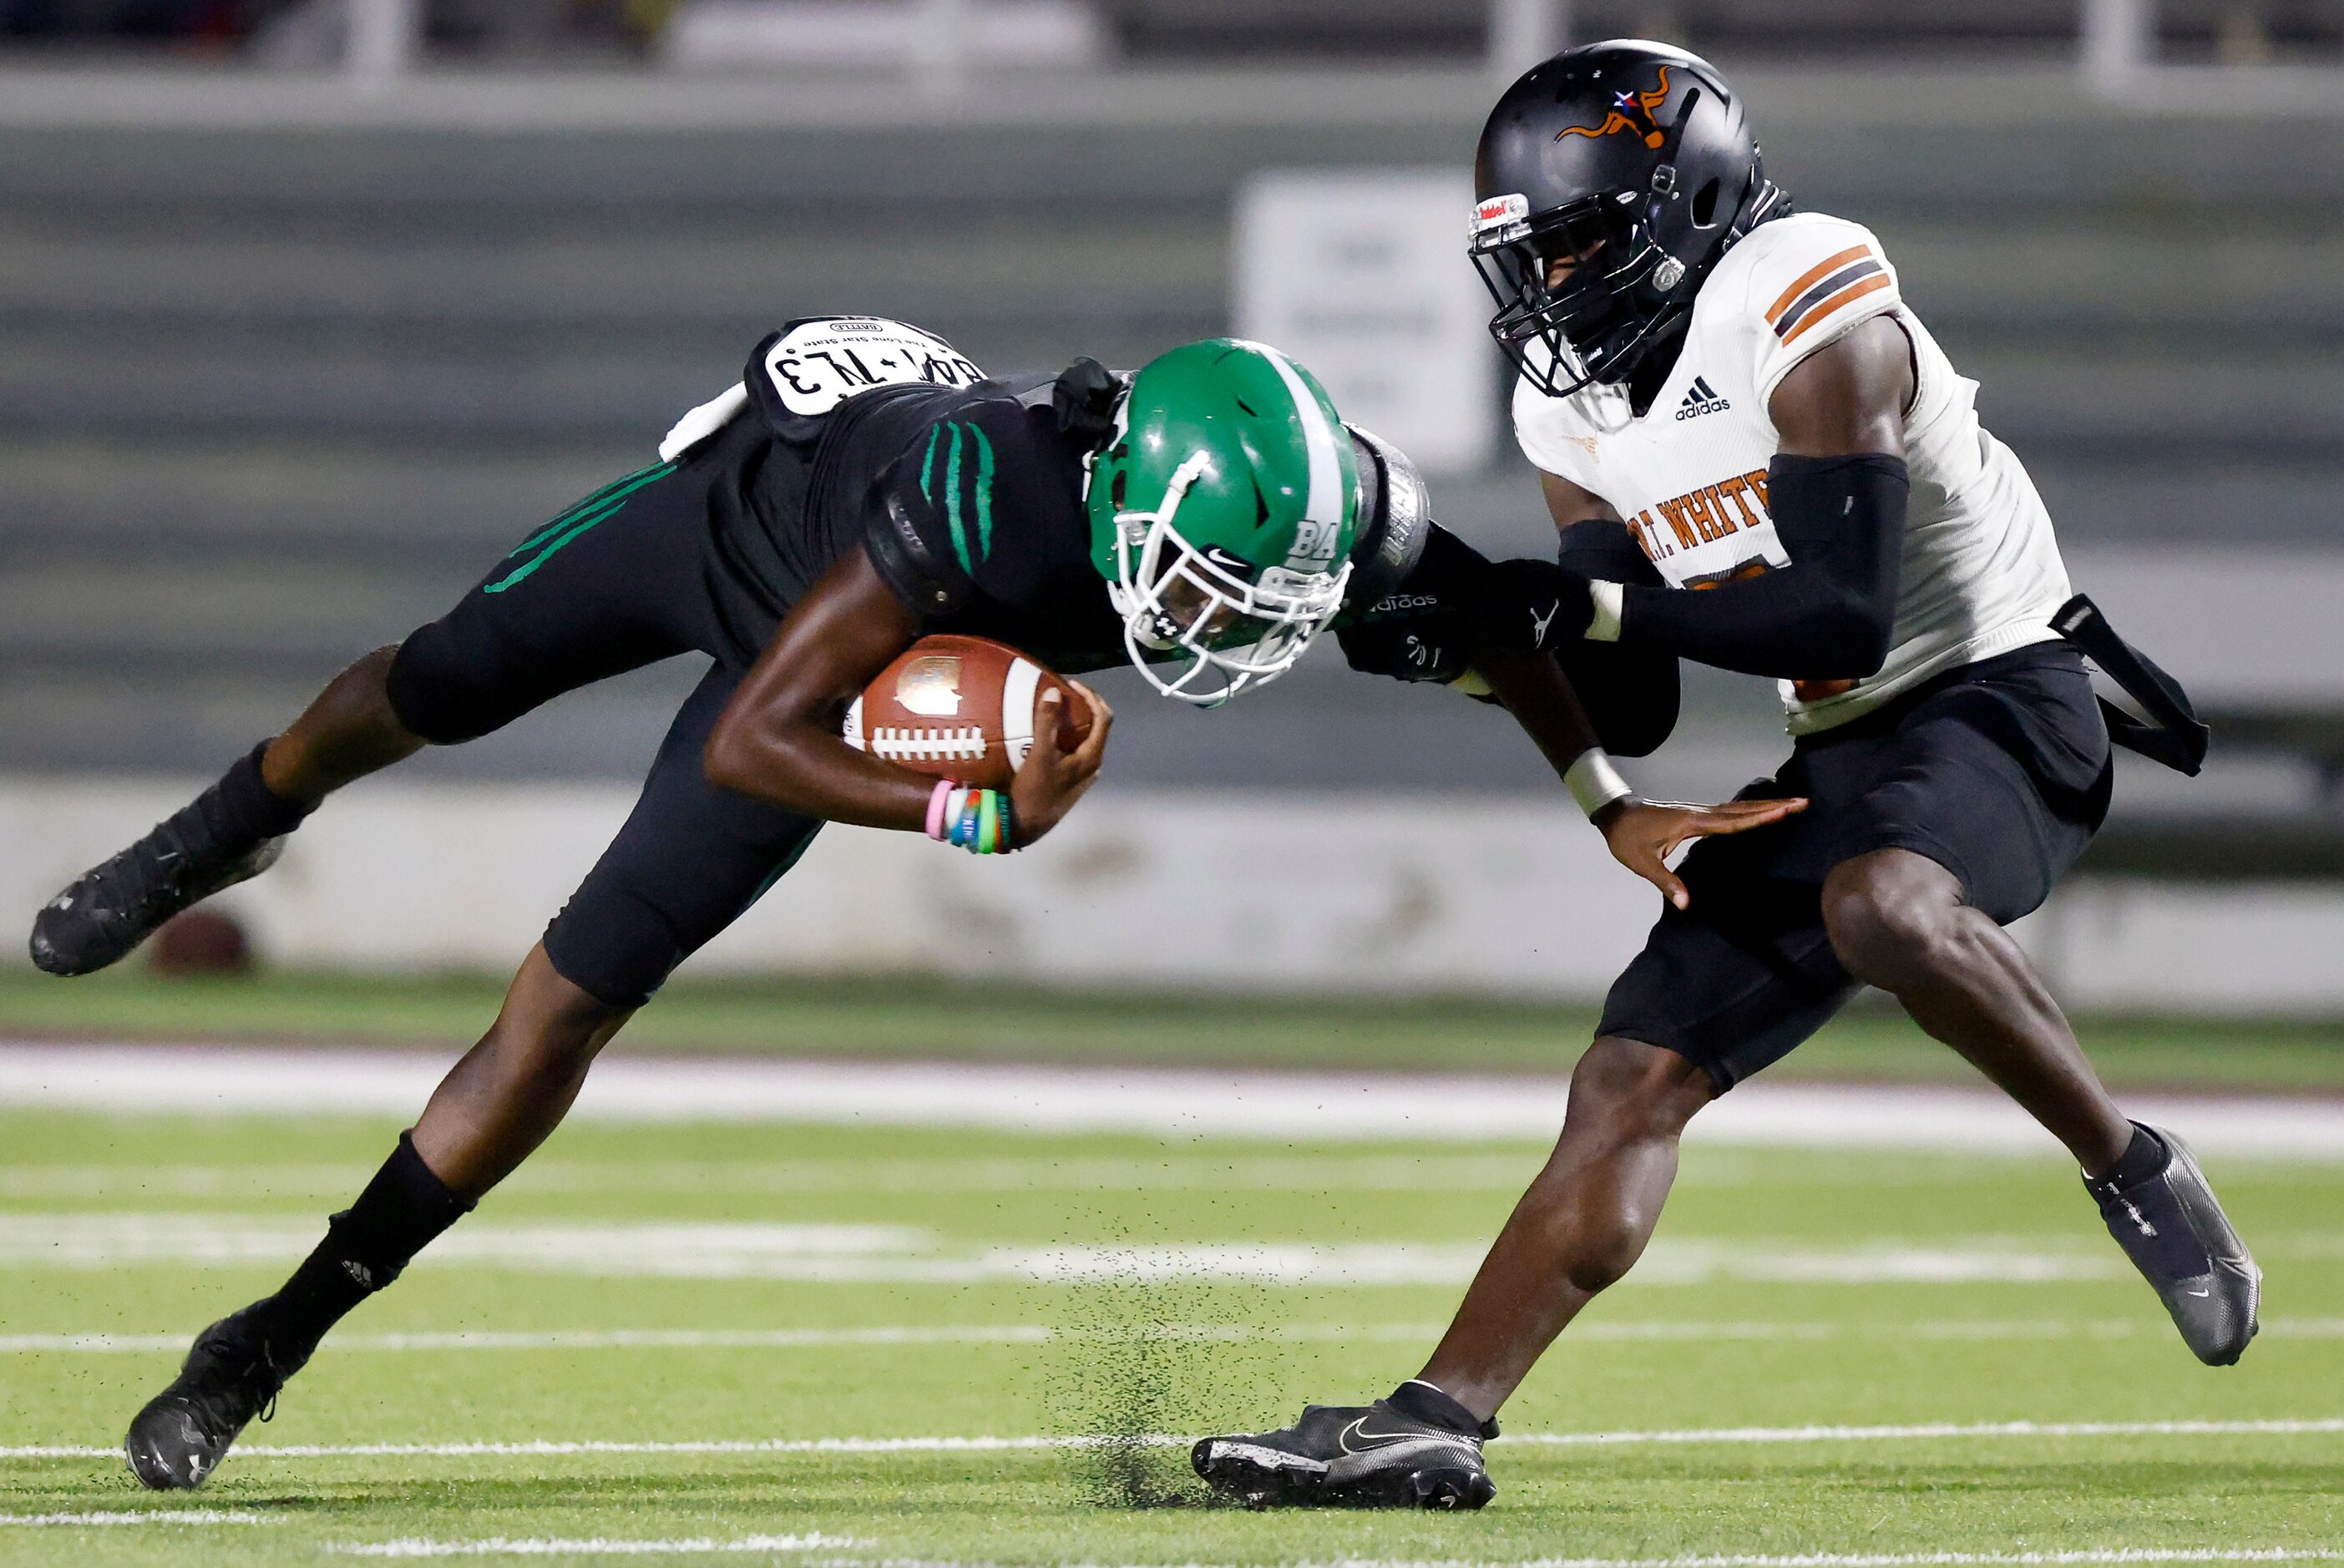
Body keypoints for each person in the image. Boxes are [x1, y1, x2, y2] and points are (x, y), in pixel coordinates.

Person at [29, 323, 1793, 1490]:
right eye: (1218, 595)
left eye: (1278, 602)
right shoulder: (972, 504)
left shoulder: (1314, 506)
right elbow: (757, 733)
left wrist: (1612, 801)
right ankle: (222, 827)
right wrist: (972, 809)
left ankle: (258, 1347)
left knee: (561, 1007)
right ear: (1126, 517)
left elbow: (1487, 623)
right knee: (443, 678)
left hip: (859, 657)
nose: (1244, 635)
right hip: (746, 545)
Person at [1195, 40, 2259, 1513]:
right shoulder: (1567, 410)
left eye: (1580, 244)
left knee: (1884, 902)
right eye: (1534, 259)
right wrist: (1475, 647)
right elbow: (1629, 681)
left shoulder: (1806, 288)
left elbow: (1841, 611)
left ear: (1688, 203)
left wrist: (1586, 607)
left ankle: (2133, 1164)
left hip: (2007, 697)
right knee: (1628, 1073)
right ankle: (1438, 1415)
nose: (1555, 290)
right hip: (1845, 747)